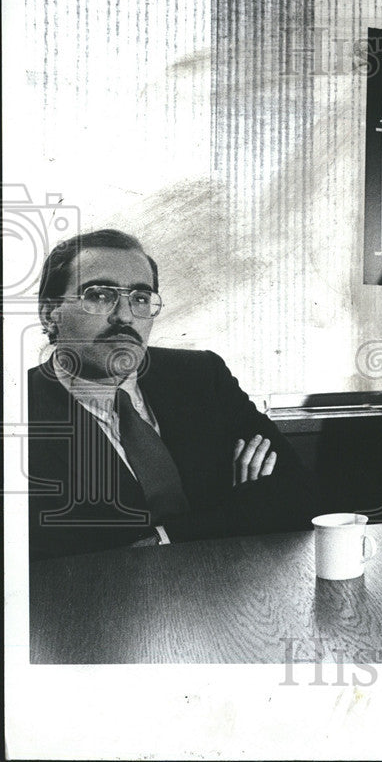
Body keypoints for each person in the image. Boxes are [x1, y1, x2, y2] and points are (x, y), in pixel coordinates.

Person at [28, 229, 321, 559]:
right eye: (98, 296)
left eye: (140, 298)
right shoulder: (19, 413)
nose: (124, 316)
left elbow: (299, 495)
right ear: (50, 315)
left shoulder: (201, 376)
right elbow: (56, 558)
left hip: (229, 592)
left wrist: (164, 536)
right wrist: (237, 509)